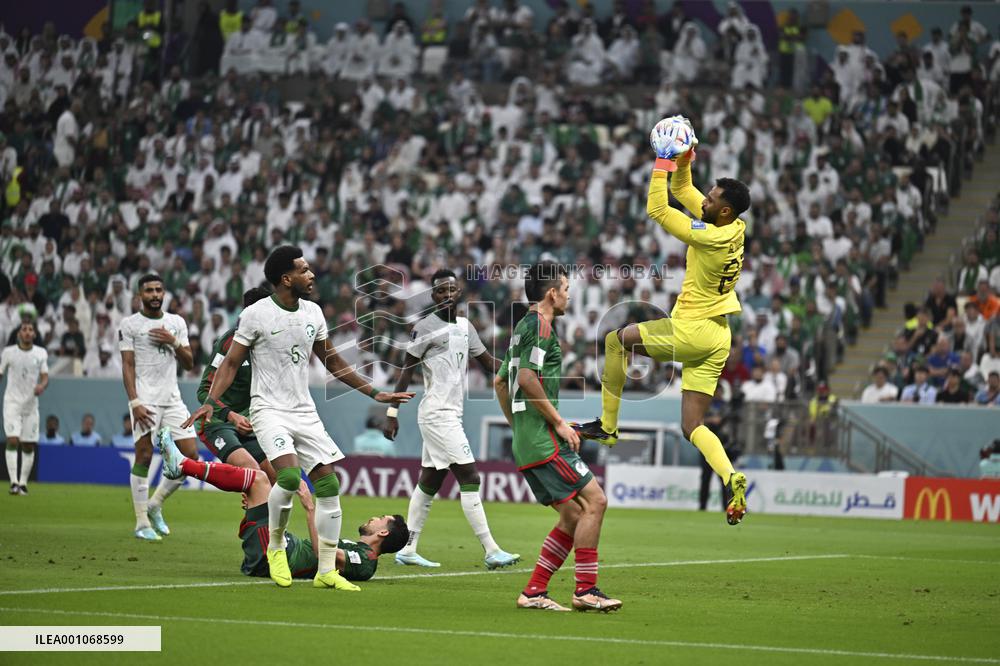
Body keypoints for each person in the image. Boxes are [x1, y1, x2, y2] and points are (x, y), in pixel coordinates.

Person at [185, 245, 413, 591]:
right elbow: (231, 363)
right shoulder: (257, 314)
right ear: (285, 278)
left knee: (329, 484)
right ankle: (276, 547)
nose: (311, 275)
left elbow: (332, 361)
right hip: (268, 409)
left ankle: (325, 571)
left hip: (303, 410)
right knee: (289, 477)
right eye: (304, 270)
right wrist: (212, 401)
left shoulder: (314, 313)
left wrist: (374, 392)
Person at [574, 117, 749, 526]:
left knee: (617, 339)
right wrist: (685, 158)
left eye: (711, 198)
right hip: (719, 336)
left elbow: (658, 206)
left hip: (692, 330)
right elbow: (684, 191)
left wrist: (662, 160)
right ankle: (731, 476)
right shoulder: (733, 226)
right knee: (693, 425)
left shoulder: (709, 235)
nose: (703, 199)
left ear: (722, 210)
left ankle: (608, 425)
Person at [495, 262, 621, 612]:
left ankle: (534, 591)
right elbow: (526, 379)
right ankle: (586, 590)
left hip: (528, 440)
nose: (568, 295)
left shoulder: (522, 326)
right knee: (596, 502)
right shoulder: (541, 326)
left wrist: (518, 427)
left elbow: (500, 382)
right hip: (544, 440)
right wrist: (560, 424)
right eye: (566, 289)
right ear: (552, 293)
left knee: (572, 515)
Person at [384, 268, 519, 569]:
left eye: (451, 290)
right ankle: (491, 550)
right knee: (470, 476)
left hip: (449, 414)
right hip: (437, 414)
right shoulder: (424, 328)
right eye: (440, 291)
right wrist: (392, 413)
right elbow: (406, 370)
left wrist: (515, 369)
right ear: (433, 296)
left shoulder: (465, 326)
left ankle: (408, 549)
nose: (446, 295)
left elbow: (486, 363)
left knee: (430, 481)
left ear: (459, 294)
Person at [157, 431, 409, 582]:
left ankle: (182, 466)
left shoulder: (365, 562)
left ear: (383, 532)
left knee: (257, 479)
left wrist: (310, 508)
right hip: (281, 546)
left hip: (277, 557)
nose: (373, 518)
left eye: (380, 518)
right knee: (259, 480)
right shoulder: (358, 549)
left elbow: (325, 556)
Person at [119, 273, 199, 541]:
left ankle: (155, 504)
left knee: (190, 457)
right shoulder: (130, 325)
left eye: (158, 290)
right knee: (143, 455)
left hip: (173, 399)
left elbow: (189, 363)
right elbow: (127, 365)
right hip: (145, 400)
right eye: (149, 290)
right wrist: (135, 401)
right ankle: (141, 522)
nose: (154, 295)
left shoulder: (176, 323)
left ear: (164, 294)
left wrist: (173, 341)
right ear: (140, 295)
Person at [196, 287, 275, 478]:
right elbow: (203, 390)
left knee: (277, 477)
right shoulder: (230, 343)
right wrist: (232, 416)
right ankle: (185, 466)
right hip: (218, 422)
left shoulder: (271, 344)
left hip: (249, 425)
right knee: (255, 475)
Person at [1, 321, 48, 495]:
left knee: (28, 445)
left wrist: (42, 386)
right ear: (19, 333)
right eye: (24, 329)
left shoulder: (41, 353)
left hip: (31, 404)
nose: (27, 332)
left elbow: (45, 376)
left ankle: (23, 483)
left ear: (34, 334)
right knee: (13, 440)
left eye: (30, 329)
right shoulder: (8, 353)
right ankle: (13, 482)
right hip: (12, 402)